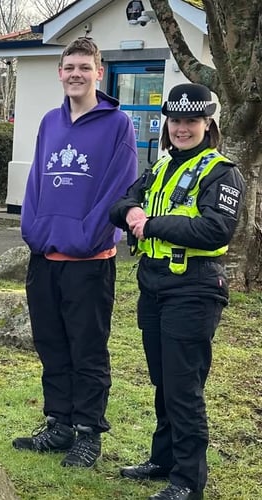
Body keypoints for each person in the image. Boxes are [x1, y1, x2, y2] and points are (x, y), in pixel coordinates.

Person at [110, 83, 244, 500]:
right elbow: (122, 203)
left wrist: (150, 222)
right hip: (154, 285)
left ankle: (188, 481)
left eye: (191, 121)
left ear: (208, 124)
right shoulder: (163, 166)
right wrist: (132, 210)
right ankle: (162, 460)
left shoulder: (222, 172)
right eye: (176, 121)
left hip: (195, 287)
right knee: (163, 381)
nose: (182, 128)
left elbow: (215, 230)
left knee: (184, 387)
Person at [13, 37, 138, 468]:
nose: (76, 74)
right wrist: (33, 230)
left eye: (85, 67)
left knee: (87, 350)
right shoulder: (50, 122)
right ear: (59, 72)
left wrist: (87, 236)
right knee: (51, 345)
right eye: (69, 67)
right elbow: (36, 183)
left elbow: (118, 189)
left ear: (98, 73)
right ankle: (58, 423)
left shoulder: (118, 124)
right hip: (45, 258)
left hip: (89, 262)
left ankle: (88, 432)